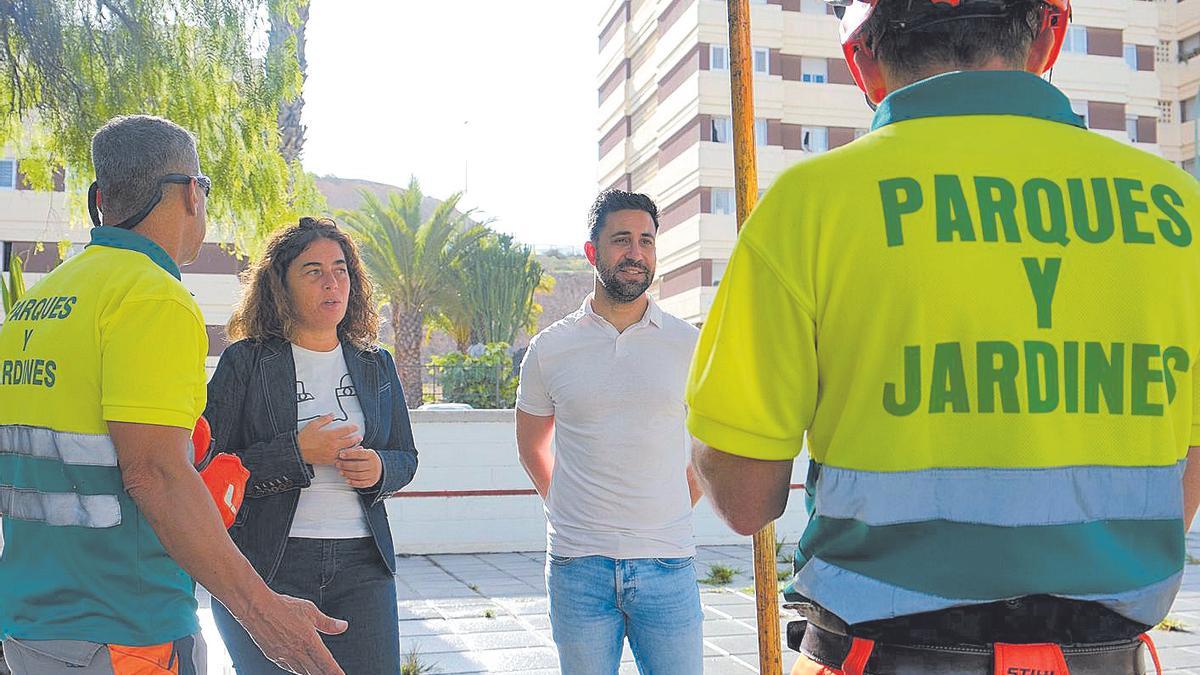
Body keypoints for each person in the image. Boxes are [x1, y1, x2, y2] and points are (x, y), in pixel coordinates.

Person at [685, 1, 1200, 673]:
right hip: (1102, 658)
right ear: (1049, 36)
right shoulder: (1176, 208)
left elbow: (744, 497)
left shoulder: (808, 207)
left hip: (880, 656)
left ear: (861, 58)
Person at [0, 115, 346, 675]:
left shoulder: (43, 299)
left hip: (31, 626)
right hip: (123, 632)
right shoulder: (151, 297)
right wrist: (265, 614)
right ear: (190, 193)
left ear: (100, 198)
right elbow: (154, 475)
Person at [205, 217, 418, 674]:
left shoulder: (376, 363)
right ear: (280, 284)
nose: (331, 282)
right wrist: (296, 454)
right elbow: (207, 466)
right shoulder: (246, 360)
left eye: (341, 269)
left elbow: (406, 456)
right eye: (313, 270)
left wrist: (379, 468)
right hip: (267, 565)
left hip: (364, 566)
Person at [515, 189, 705, 675]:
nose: (636, 253)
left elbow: (713, 440)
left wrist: (682, 498)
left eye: (646, 240)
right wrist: (563, 504)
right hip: (578, 569)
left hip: (668, 566)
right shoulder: (551, 348)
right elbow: (531, 444)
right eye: (622, 240)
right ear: (592, 252)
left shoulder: (690, 345)